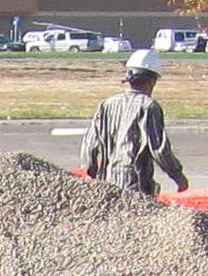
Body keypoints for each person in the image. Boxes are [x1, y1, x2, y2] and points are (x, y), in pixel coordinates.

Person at [81, 51, 189, 196]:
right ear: (152, 81)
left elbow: (90, 143)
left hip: (106, 180)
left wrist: (91, 172)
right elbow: (158, 149)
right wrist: (178, 177)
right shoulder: (148, 106)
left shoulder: (107, 104)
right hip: (135, 183)